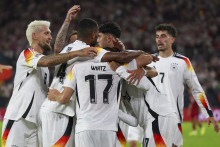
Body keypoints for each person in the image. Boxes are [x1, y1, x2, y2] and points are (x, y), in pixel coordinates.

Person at [38, 17, 150, 147]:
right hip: (61, 108)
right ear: (92, 35)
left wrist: (67, 20)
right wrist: (136, 52)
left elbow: (56, 48)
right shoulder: (90, 52)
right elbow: (123, 58)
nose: (97, 40)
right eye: (97, 36)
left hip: (61, 110)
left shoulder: (67, 50)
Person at [0, 8, 97, 146]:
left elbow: (54, 56)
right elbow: (48, 60)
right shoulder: (27, 54)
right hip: (18, 119)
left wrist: (67, 20)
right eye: (46, 33)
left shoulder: (44, 66)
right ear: (34, 36)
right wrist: (77, 52)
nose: (50, 37)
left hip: (36, 122)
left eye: (50, 33)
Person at [128, 23, 219, 146]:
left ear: (172, 40)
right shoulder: (147, 61)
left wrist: (208, 113)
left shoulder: (183, 62)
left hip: (174, 121)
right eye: (157, 36)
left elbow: (196, 89)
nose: (159, 39)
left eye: (163, 36)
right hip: (151, 120)